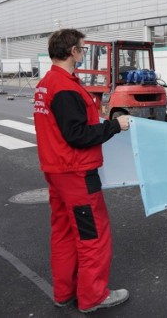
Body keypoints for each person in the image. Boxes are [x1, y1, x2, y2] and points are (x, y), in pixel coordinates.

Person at [33, 28, 131, 313]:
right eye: (82, 48)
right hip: (77, 174)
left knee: (63, 233)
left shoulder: (48, 82)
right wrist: (115, 126)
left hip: (57, 171)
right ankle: (93, 297)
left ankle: (64, 292)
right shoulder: (64, 87)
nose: (84, 52)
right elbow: (77, 134)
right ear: (73, 52)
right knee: (93, 236)